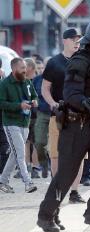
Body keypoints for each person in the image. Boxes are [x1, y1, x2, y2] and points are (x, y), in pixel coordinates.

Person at [37, 18, 90, 232]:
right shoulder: (80, 60)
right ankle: (46, 216)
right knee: (66, 173)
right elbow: (72, 94)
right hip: (76, 124)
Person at [41, 28, 86, 203]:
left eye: (79, 39)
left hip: (80, 114)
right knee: (56, 154)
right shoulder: (54, 62)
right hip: (59, 115)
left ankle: (74, 192)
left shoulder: (83, 60)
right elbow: (45, 88)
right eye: (74, 39)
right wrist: (53, 104)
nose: (77, 42)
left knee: (79, 154)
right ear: (65, 40)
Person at [0, 57, 38, 193]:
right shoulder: (4, 84)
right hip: (11, 123)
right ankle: (28, 182)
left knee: (14, 155)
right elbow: (1, 103)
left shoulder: (27, 81)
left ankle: (3, 181)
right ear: (14, 69)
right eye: (22, 68)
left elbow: (34, 95)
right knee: (20, 153)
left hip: (24, 123)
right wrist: (19, 106)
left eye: (25, 68)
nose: (25, 70)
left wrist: (34, 101)